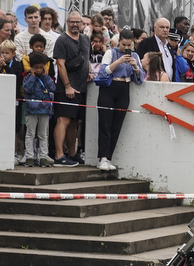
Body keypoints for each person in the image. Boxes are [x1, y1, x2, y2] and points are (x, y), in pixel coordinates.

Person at [93, 29, 144, 171]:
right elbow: (103, 72)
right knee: (105, 123)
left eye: (129, 45)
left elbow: (141, 78)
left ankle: (109, 157)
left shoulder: (135, 55)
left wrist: (135, 67)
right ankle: (102, 157)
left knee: (117, 125)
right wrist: (118, 61)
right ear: (118, 42)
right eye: (123, 45)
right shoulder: (111, 53)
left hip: (124, 88)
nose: (126, 48)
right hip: (109, 88)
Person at [52, 10, 91, 167]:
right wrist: (67, 86)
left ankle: (72, 154)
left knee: (75, 122)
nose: (75, 24)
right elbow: (60, 64)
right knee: (63, 120)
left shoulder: (86, 40)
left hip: (82, 88)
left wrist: (90, 73)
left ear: (82, 23)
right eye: (72, 21)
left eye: (78, 22)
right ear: (67, 22)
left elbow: (86, 59)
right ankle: (59, 155)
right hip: (66, 88)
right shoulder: (62, 40)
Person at [18, 51, 55, 167]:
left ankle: (43, 156)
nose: (39, 70)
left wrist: (45, 75)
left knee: (43, 134)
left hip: (44, 110)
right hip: (31, 110)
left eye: (41, 67)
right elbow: (27, 89)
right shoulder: (28, 78)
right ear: (32, 67)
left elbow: (52, 87)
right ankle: (29, 156)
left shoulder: (46, 78)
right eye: (36, 68)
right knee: (30, 133)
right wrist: (33, 76)